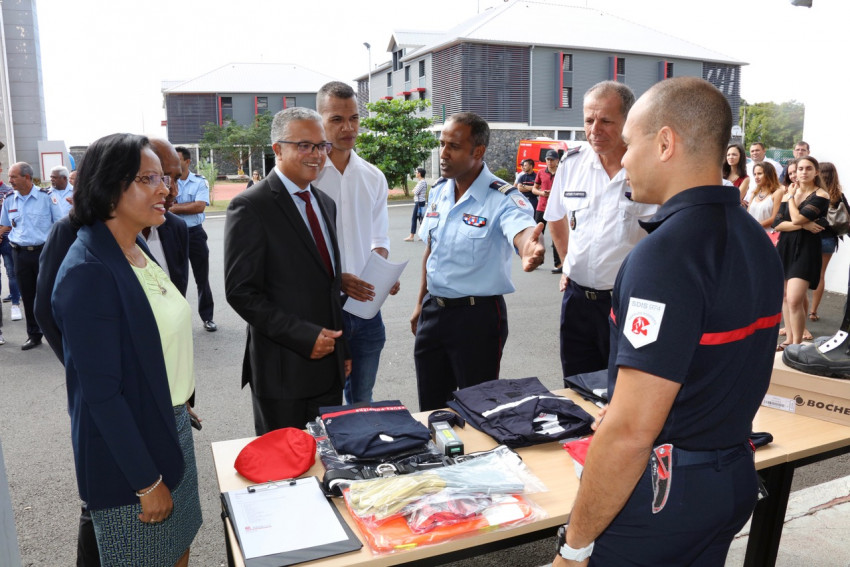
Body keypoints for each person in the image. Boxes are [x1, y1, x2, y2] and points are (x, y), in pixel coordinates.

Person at [552, 77, 783, 567]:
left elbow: (633, 429)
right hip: (731, 475)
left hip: (665, 495)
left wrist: (573, 550)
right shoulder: (752, 237)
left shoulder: (664, 254)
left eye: (632, 144)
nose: (626, 158)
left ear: (664, 143)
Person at [34, 138, 192, 567]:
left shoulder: (132, 245)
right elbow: (101, 393)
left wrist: (174, 391)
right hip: (132, 454)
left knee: (177, 550)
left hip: (167, 419)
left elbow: (150, 337)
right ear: (108, 187)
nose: (166, 189)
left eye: (164, 177)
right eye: (148, 178)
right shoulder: (89, 268)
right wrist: (144, 481)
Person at [225, 107, 350, 434]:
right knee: (285, 477)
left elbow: (328, 285)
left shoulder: (325, 203)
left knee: (330, 468)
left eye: (321, 146)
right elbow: (241, 292)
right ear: (277, 149)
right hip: (284, 374)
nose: (316, 155)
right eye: (304, 145)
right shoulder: (251, 206)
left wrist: (342, 352)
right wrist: (304, 336)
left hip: (329, 370)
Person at [410, 111, 544, 411]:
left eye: (453, 146)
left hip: (477, 318)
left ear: (477, 151)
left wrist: (528, 247)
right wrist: (421, 303)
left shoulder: (502, 197)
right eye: (442, 144)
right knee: (432, 408)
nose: (443, 154)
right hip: (434, 311)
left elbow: (520, 230)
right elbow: (431, 250)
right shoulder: (440, 191)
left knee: (479, 408)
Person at [544, 81, 657, 379]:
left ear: (628, 120)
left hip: (629, 304)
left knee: (626, 388)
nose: (595, 129)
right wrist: (569, 262)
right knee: (577, 384)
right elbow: (556, 217)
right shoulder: (572, 163)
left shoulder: (649, 169)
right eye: (589, 120)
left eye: (606, 121)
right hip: (577, 301)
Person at [315, 81, 396, 404]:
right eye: (336, 119)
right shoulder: (310, 175)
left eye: (354, 118)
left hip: (365, 309)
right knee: (326, 400)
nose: (348, 127)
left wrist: (382, 271)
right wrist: (336, 280)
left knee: (363, 397)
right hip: (321, 308)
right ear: (319, 120)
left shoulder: (373, 176)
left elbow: (380, 238)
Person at [0, 162, 64, 350]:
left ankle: (58, 334)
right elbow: (5, 225)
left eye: (13, 177)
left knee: (50, 294)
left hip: (44, 252)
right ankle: (34, 335)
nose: (9, 181)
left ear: (27, 177)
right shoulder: (10, 199)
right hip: (19, 253)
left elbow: (59, 224)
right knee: (28, 297)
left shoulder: (47, 197)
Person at [773, 156, 830, 350]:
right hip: (785, 247)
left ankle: (796, 345)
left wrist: (790, 199)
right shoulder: (790, 192)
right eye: (800, 169)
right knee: (784, 297)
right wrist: (805, 225)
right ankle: (789, 339)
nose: (803, 172)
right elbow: (777, 223)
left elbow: (797, 218)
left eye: (808, 168)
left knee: (795, 298)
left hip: (806, 249)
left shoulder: (821, 195)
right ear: (795, 173)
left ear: (816, 172)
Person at [172, 146, 216, 332]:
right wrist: (181, 207)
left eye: (178, 159)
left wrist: (174, 208)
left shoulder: (199, 182)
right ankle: (176, 321)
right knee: (176, 280)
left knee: (202, 278)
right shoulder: (167, 181)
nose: (174, 163)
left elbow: (199, 207)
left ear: (187, 162)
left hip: (195, 233)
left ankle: (207, 318)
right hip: (173, 234)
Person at [810, 162, 845, 322]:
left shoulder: (814, 193)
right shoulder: (838, 195)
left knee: (801, 274)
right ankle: (813, 311)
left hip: (810, 237)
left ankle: (798, 308)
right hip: (829, 239)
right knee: (821, 275)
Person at [533, 149, 562, 272]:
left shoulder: (562, 173)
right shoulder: (540, 172)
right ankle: (537, 260)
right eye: (547, 159)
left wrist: (555, 194)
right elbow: (534, 189)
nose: (549, 162)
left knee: (557, 236)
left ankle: (558, 264)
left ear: (557, 161)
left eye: (552, 160)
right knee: (537, 235)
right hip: (541, 207)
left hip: (557, 207)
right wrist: (541, 193)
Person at [0, 161, 21, 323]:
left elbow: (14, 218)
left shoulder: (9, 192)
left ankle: (15, 304)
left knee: (11, 272)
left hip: (7, 238)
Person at [747, 161, 784, 234]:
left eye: (760, 173)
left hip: (768, 235)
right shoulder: (754, 193)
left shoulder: (778, 192)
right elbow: (748, 215)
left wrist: (755, 226)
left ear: (769, 174)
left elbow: (774, 218)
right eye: (755, 174)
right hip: (751, 233)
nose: (756, 177)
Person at [405, 167, 428, 241]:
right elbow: (415, 190)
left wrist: (414, 190)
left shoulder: (422, 182)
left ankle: (412, 236)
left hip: (419, 203)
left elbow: (415, 192)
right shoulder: (421, 182)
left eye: (416, 172)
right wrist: (414, 190)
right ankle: (423, 235)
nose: (415, 173)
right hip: (420, 202)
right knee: (421, 219)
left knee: (415, 218)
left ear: (419, 174)